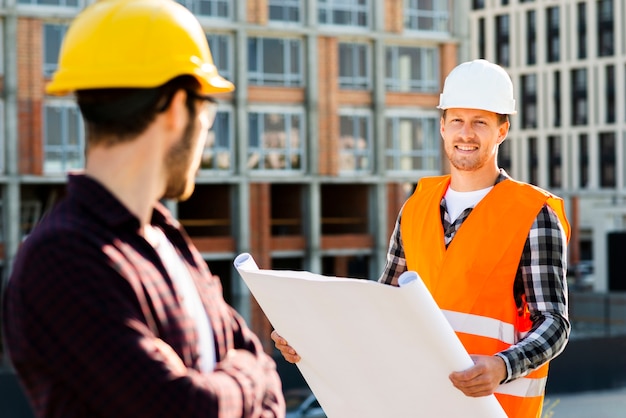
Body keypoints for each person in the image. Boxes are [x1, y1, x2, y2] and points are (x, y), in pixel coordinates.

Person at [2, 1, 285, 417]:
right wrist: (247, 379)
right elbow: (182, 408)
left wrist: (228, 385)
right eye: (207, 110)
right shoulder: (63, 257)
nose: (206, 131)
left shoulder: (168, 239)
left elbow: (268, 379)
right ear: (175, 105)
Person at [272, 59, 570, 418]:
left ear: (502, 131)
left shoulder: (533, 213)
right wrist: (312, 342)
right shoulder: (416, 207)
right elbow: (381, 311)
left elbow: (554, 322)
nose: (466, 134)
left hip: (492, 409)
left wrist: (502, 367)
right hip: (414, 406)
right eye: (457, 121)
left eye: (480, 122)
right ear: (443, 127)